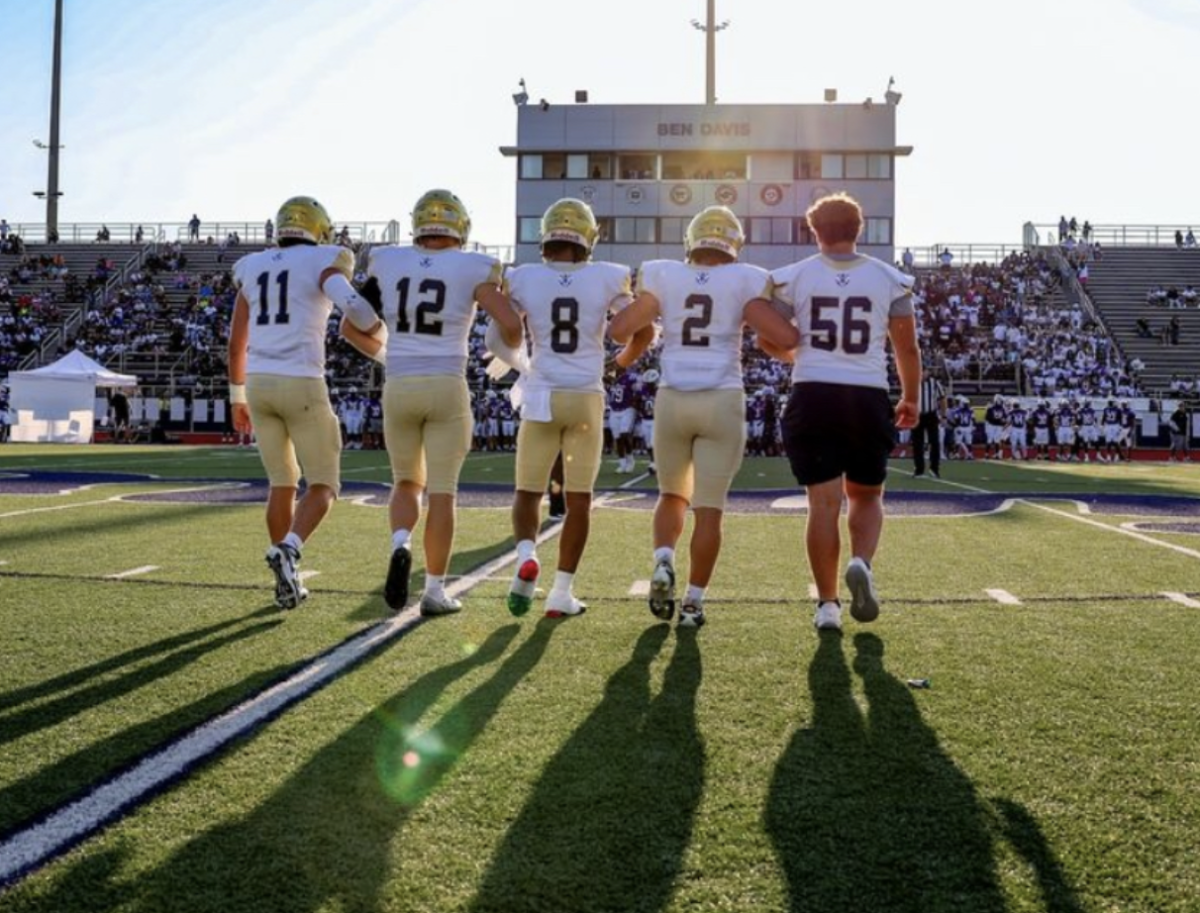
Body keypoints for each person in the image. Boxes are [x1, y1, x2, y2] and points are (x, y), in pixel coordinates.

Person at [610, 205, 798, 628]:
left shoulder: (665, 275)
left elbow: (620, 329)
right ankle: (693, 603)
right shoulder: (746, 279)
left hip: (673, 398)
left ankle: (662, 559)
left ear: (691, 241)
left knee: (671, 496)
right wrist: (784, 345)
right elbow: (784, 337)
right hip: (721, 398)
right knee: (709, 510)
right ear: (734, 244)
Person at [341, 189, 522, 617]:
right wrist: (506, 352)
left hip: (400, 383)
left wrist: (389, 354)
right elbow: (511, 323)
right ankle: (435, 590)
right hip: (446, 384)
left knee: (406, 482)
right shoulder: (475, 266)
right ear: (461, 226)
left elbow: (350, 329)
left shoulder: (388, 261)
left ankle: (400, 543)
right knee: (443, 493)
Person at [770, 192, 921, 632]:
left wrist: (801, 358)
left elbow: (769, 336)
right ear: (861, 229)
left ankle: (828, 606)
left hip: (813, 391)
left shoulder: (794, 276)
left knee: (822, 504)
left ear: (815, 231)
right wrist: (909, 396)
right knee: (868, 495)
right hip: (866, 392)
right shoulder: (889, 278)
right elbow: (906, 347)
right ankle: (861, 561)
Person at [497, 198, 654, 618]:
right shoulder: (607, 276)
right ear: (588, 237)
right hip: (585, 393)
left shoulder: (525, 277)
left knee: (528, 492)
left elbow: (502, 335)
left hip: (542, 392)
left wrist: (523, 366)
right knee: (580, 500)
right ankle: (561, 592)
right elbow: (644, 330)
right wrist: (618, 364)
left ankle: (526, 556)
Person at [227, 195, 382, 610]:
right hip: (301, 381)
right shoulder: (324, 260)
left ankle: (286, 573)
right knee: (325, 484)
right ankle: (290, 549)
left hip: (258, 384)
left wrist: (235, 396)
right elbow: (357, 311)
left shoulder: (252, 267)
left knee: (281, 483)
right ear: (319, 230)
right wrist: (380, 333)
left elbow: (235, 343)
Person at [912, 373, 945, 478]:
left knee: (934, 442)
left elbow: (942, 399)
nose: (921, 374)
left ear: (927, 372)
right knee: (917, 443)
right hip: (917, 415)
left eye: (923, 371)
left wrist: (943, 416)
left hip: (931, 415)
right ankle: (919, 470)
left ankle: (934, 469)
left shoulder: (935, 383)